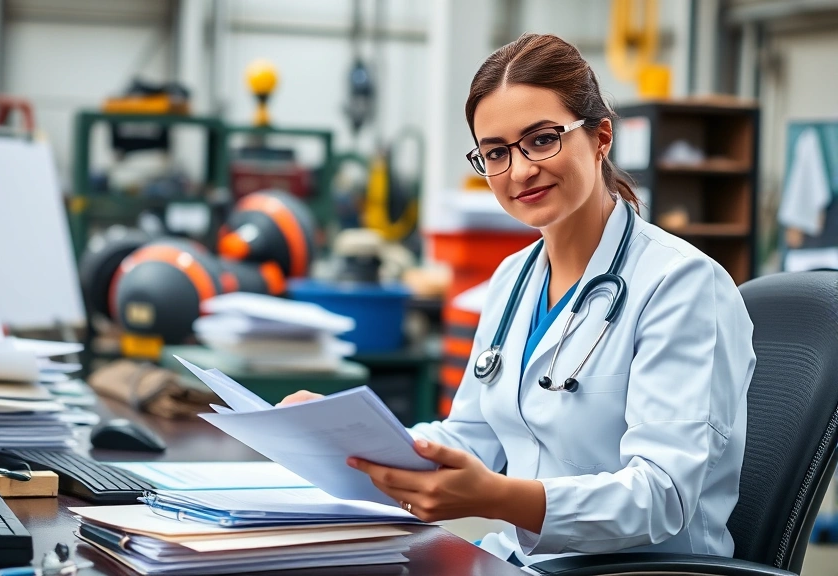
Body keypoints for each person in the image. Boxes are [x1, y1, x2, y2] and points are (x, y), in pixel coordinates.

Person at [279, 33, 756, 567]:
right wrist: (345, 434)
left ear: (601, 137)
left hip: (642, 569)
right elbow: (469, 437)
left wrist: (497, 497)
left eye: (543, 139)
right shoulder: (513, 279)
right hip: (520, 559)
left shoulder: (683, 285)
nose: (520, 170)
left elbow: (661, 498)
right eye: (496, 153)